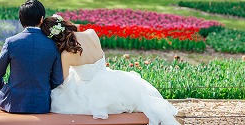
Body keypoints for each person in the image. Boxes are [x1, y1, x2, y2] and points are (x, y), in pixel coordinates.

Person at [40, 15, 180, 125]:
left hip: (91, 90)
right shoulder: (91, 33)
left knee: (59, 99)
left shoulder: (67, 54)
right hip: (112, 79)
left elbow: (63, 82)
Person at [0, 0, 63, 113]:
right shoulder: (53, 44)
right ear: (41, 19)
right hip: (42, 104)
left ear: (21, 20)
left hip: (14, 102)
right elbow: (57, 79)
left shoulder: (11, 42)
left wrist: (0, 88)